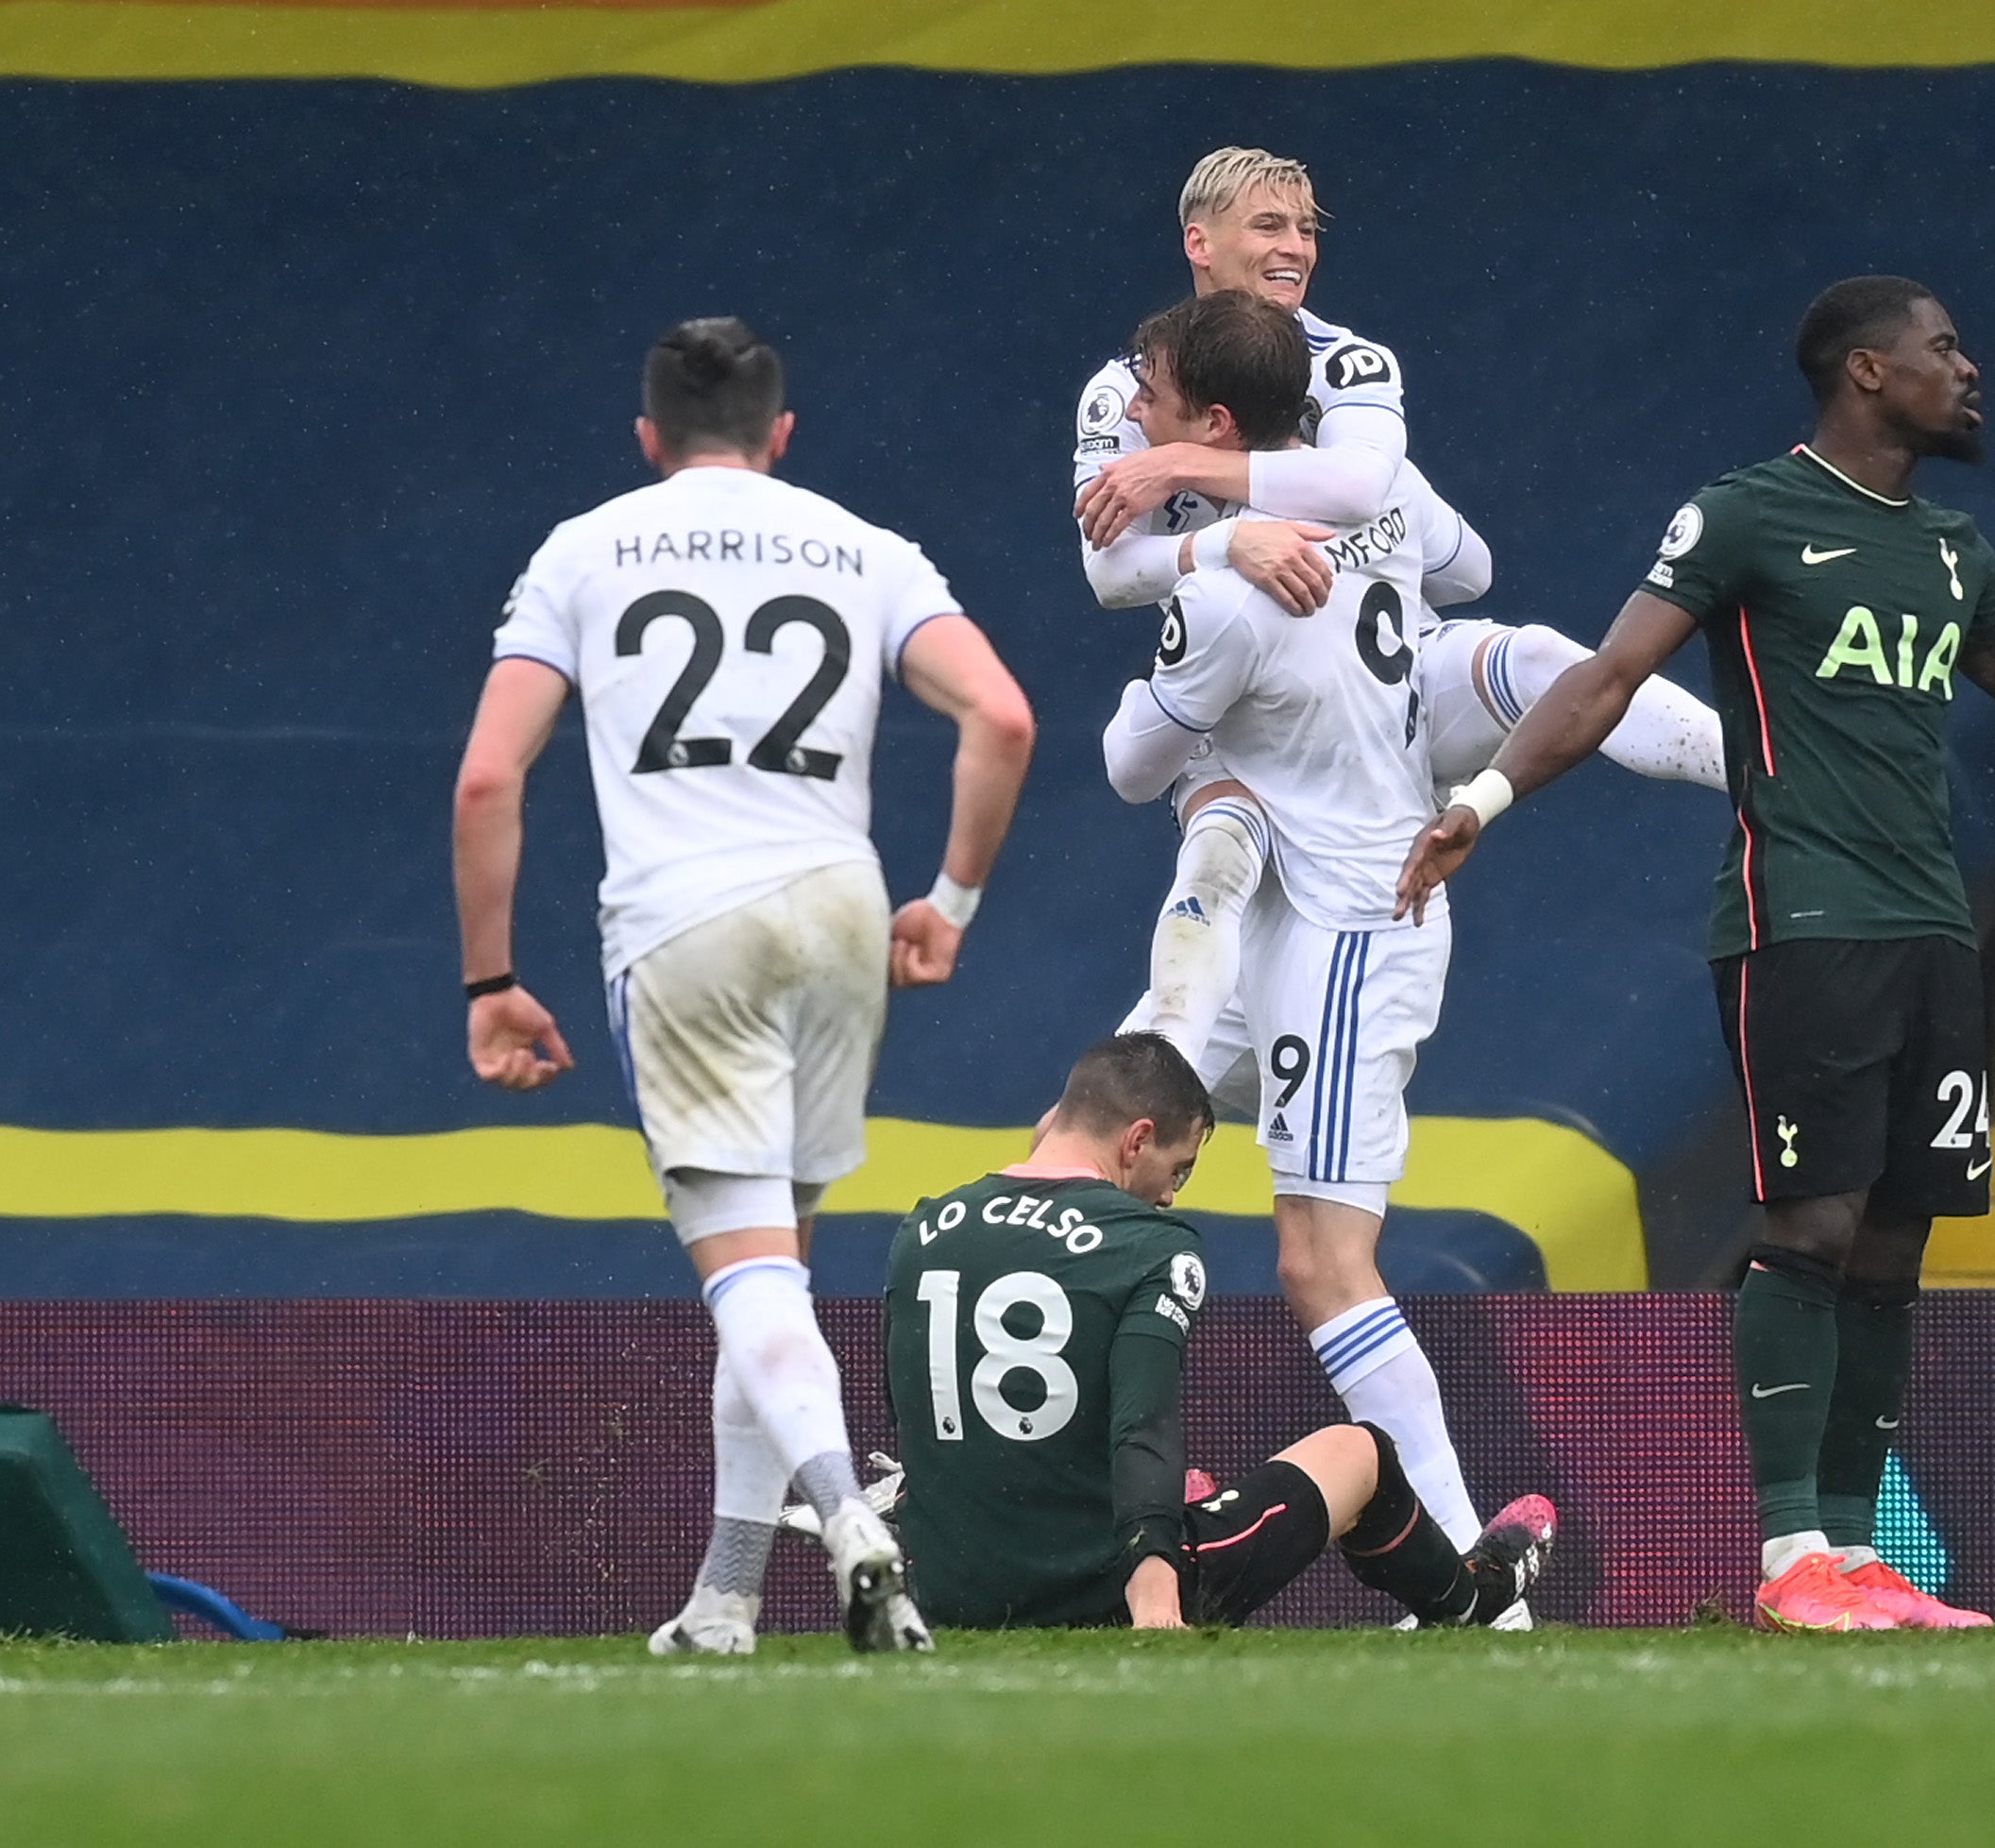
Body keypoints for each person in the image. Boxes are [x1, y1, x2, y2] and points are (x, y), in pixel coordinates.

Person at [1396, 278, 1995, 1634]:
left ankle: (1857, 1557)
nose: (1968, 369)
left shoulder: (1954, 550)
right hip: (1799, 923)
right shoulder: (1744, 515)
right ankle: (1787, 1557)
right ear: (1863, 370)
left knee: (1896, 1238)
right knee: (1812, 1225)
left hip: (1930, 935)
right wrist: (1478, 805)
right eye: (1941, 348)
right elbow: (1600, 678)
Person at [453, 316, 1036, 1655]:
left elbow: (490, 776)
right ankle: (722, 1601)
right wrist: (946, 902)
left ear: (647, 438)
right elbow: (1000, 717)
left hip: (685, 924)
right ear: (782, 436)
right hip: (836, 908)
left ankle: (847, 1515)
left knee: (746, 1270)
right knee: (772, 1268)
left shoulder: (584, 549)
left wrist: (490, 977)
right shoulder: (865, 547)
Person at [1070, 145, 1722, 1052]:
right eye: (1269, 225)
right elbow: (1108, 572)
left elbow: (1393, 517)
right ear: (1199, 241)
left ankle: (1770, 774)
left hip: (1394, 682)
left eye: (1305, 228)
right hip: (1248, 707)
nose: (1295, 245)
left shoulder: (1346, 362)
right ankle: (1156, 1061)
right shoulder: (1129, 391)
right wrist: (1228, 540)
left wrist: (1183, 466)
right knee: (1219, 861)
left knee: (1535, 657)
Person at [1098, 290, 1499, 1574]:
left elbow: (1124, 761)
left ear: (1209, 419)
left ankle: (1467, 1586)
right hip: (1269, 917)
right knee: (1102, 1150)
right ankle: (1054, 1479)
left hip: (1342, 925)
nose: (1129, 416)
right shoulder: (1355, 498)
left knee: (1323, 1261)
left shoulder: (1228, 593)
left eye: (1149, 396)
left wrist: (1212, 558)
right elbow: (1466, 563)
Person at [882, 1031, 1555, 1631]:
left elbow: (914, 1415)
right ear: (1136, 1138)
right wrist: (1152, 1591)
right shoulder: (1149, 1243)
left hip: (948, 1594)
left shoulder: (923, 1227)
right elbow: (1142, 1427)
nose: (1172, 1194)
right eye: (1177, 1168)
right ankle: (1475, 1597)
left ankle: (1176, 1514)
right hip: (1102, 1589)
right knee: (1365, 1453)